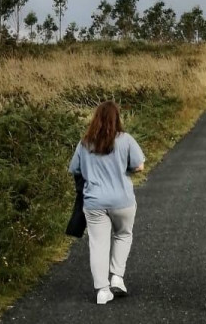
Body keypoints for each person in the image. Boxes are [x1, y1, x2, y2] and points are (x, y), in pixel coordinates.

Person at [68, 101, 146, 305]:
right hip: (122, 199)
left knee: (98, 244)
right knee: (123, 234)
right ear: (117, 118)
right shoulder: (126, 140)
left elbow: (74, 169)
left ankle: (102, 290)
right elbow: (139, 166)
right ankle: (117, 277)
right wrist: (124, 169)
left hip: (94, 201)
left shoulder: (85, 143)